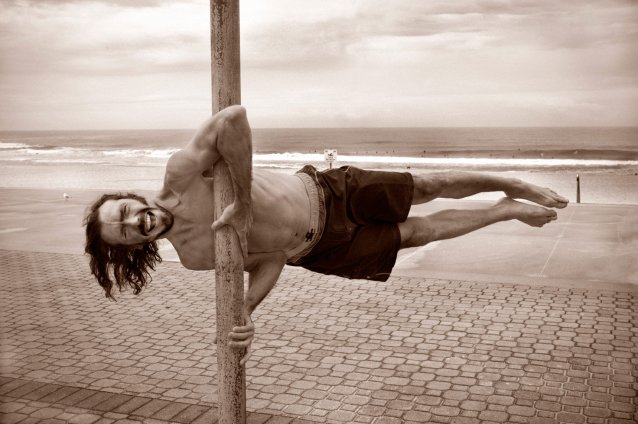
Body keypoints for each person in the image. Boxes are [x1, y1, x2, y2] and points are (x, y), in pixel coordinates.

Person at [84, 105, 568, 363]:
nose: (132, 223)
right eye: (125, 234)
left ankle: (510, 182)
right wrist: (247, 308)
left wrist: (244, 202)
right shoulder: (192, 255)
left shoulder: (182, 175)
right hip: (318, 250)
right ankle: (505, 211)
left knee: (427, 187)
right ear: (134, 247)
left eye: (125, 211)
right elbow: (271, 257)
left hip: (327, 192)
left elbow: (233, 119)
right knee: (418, 235)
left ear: (133, 199)